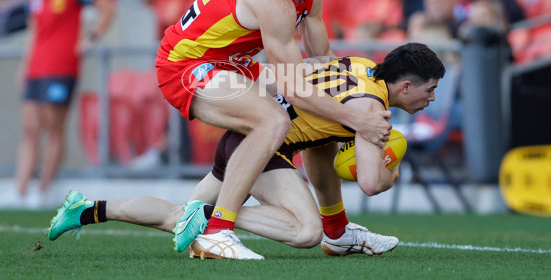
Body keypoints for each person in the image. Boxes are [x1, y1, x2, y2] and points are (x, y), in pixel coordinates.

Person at [47, 43, 446, 260]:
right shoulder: (372, 109)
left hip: (243, 137)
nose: (432, 98)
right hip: (262, 148)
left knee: (177, 216)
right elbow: (373, 183)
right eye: (429, 89)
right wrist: (393, 163)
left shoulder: (358, 64)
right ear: (406, 87)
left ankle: (87, 209)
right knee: (306, 233)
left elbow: (302, 90)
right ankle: (214, 217)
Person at [153, 0, 391, 258]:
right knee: (273, 120)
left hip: (231, 64)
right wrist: (360, 122)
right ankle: (218, 230)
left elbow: (323, 67)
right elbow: (296, 88)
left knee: (318, 115)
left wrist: (344, 114)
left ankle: (337, 232)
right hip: (186, 64)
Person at [0, 0, 115, 209]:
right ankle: (20, 190)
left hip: (62, 67)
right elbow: (35, 29)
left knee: (53, 128)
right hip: (36, 67)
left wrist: (91, 37)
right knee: (29, 128)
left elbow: (107, 8)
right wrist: (25, 64)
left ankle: (44, 189)